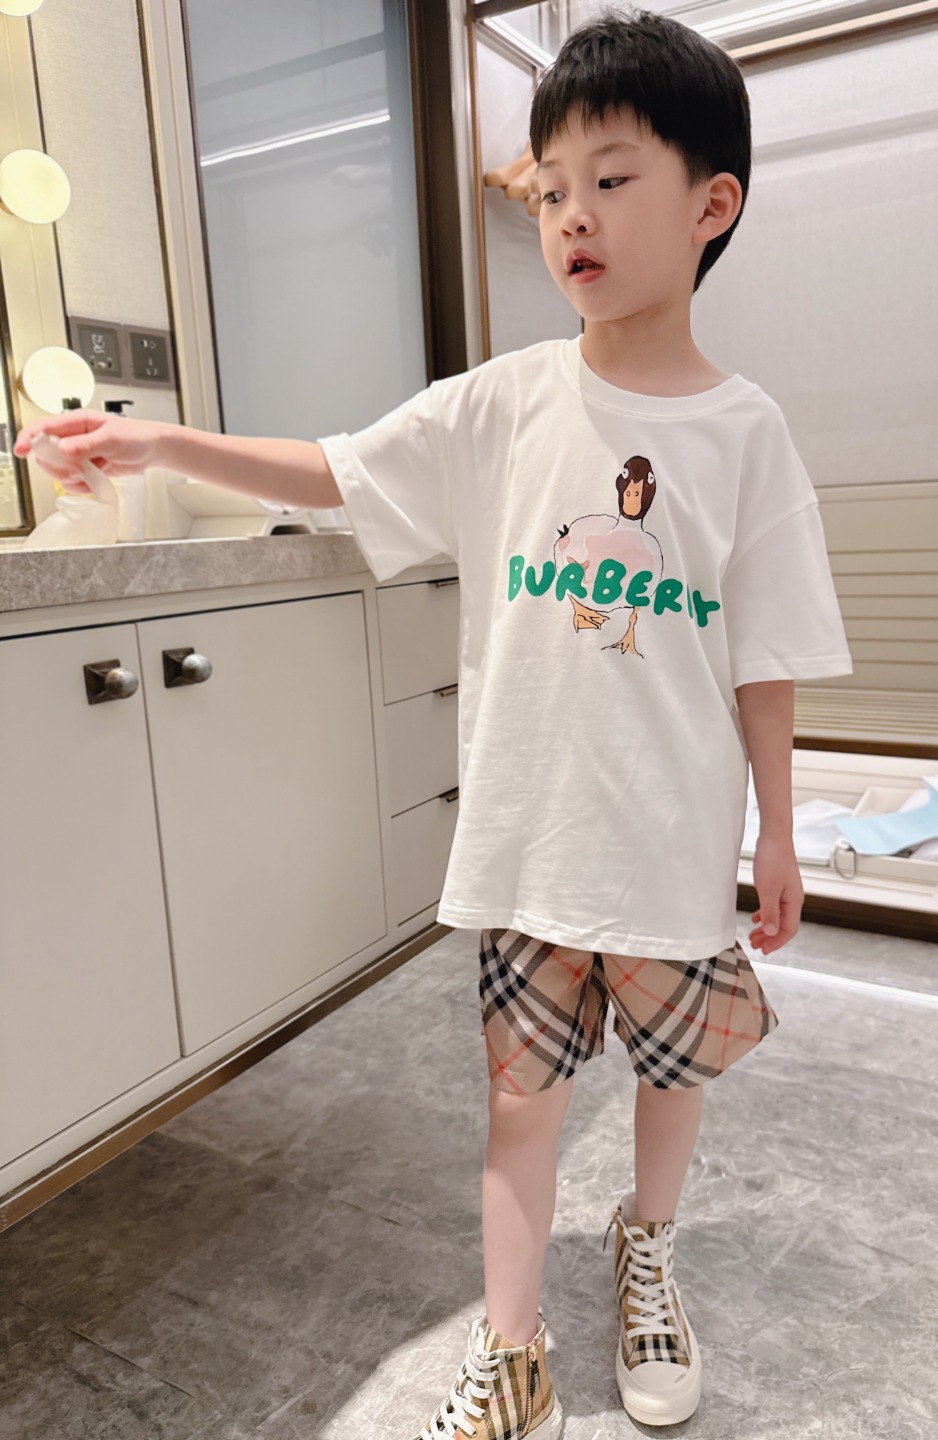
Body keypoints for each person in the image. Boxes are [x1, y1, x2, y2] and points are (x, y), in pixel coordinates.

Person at [15, 7, 853, 1436]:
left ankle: (646, 1245)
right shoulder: (504, 404)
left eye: (612, 179)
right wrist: (160, 437)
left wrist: (778, 830)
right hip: (532, 842)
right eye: (553, 187)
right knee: (520, 1104)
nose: (572, 214)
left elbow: (765, 653)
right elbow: (336, 469)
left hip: (671, 841)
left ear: (711, 205)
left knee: (674, 1077)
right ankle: (513, 1349)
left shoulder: (746, 433)